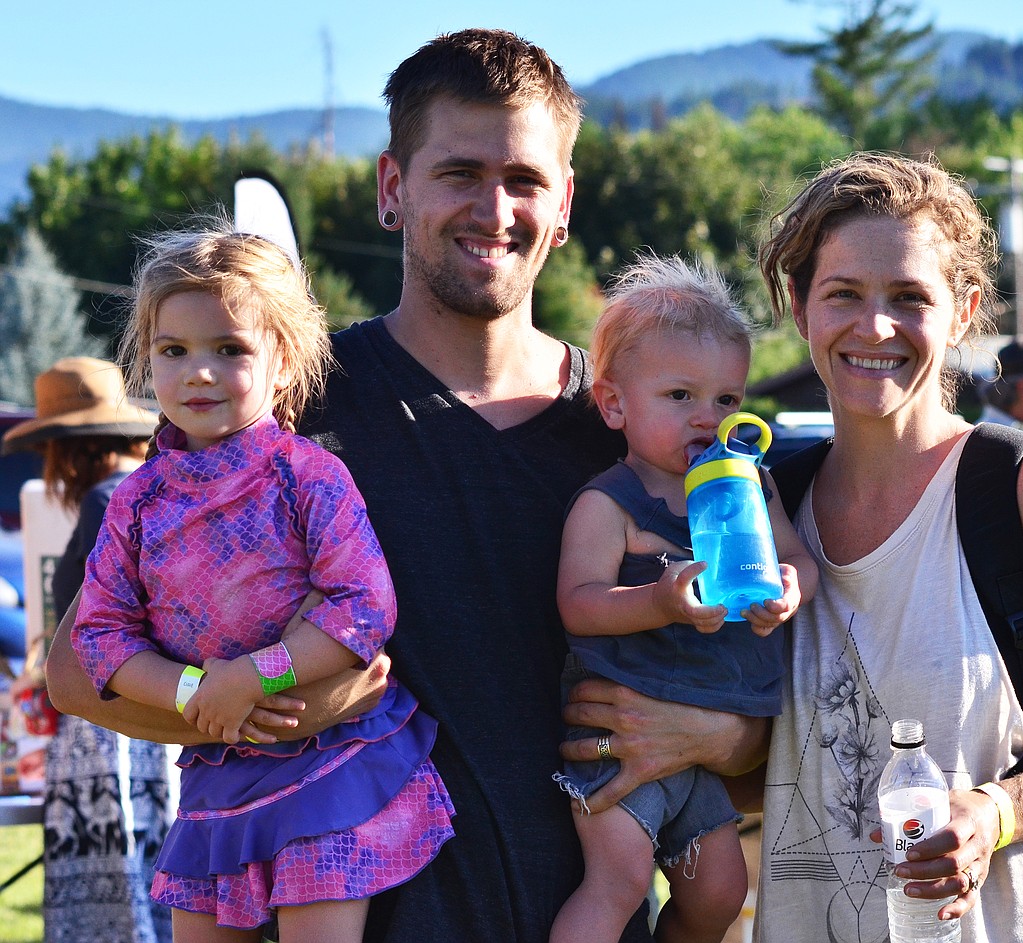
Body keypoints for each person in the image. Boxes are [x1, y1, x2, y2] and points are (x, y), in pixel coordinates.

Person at [45, 30, 766, 943]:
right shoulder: (280, 410)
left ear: (567, 200)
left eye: (526, 180)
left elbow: (769, 714)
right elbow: (78, 672)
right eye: (458, 172)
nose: (494, 207)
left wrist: (705, 738)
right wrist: (266, 705)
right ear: (393, 188)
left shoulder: (642, 432)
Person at [750, 151, 1023, 942]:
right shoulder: (769, 508)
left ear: (963, 308)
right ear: (801, 305)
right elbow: (783, 760)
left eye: (910, 297)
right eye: (843, 294)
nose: (875, 326)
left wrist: (999, 811)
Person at [69, 223, 454, 943]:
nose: (199, 372)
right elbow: (99, 635)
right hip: (218, 774)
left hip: (331, 763)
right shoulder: (136, 502)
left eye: (230, 349)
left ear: (282, 362)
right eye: (173, 350)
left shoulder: (307, 474)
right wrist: (203, 693)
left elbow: (365, 605)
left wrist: (258, 674)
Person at [550, 255, 818, 943]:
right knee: (619, 879)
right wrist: (658, 602)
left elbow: (796, 559)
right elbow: (579, 602)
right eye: (680, 397)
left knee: (724, 889)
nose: (708, 418)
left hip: (701, 747)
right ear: (615, 404)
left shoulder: (748, 484)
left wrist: (789, 590)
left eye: (726, 399)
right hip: (618, 729)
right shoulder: (611, 501)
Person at [1, 356, 170, 943]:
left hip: (107, 728)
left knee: (112, 906)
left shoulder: (105, 501)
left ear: (67, 449)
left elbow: (99, 633)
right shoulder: (156, 486)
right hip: (163, 718)